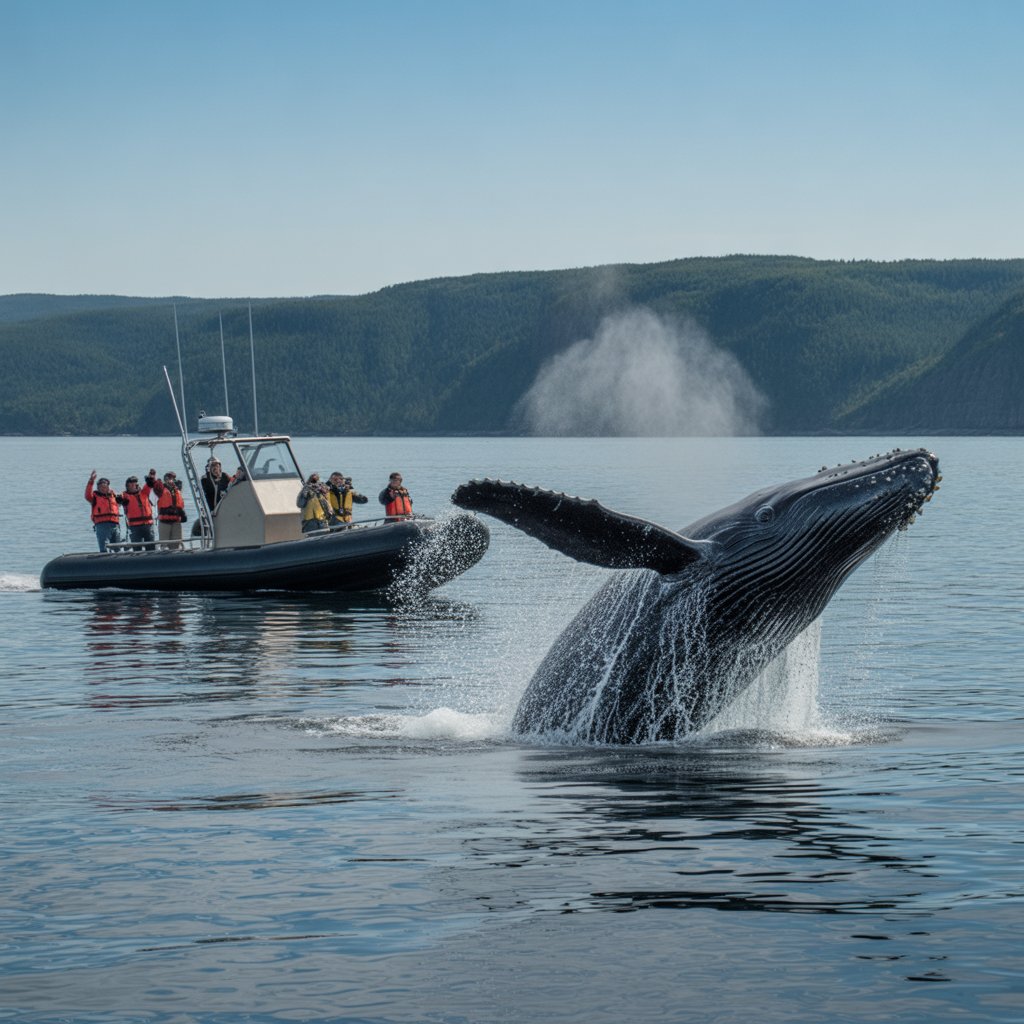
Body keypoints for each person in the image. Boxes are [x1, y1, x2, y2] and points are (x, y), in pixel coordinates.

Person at [119, 469, 159, 550]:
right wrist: (120, 500)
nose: (134, 485)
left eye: (135, 483)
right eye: (132, 484)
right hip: (134, 526)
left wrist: (151, 477)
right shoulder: (124, 495)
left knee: (151, 547)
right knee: (137, 549)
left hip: (148, 525)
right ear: (128, 486)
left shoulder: (144, 492)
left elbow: (149, 484)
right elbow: (119, 500)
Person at [85, 471, 121, 552]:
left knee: (117, 548)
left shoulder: (114, 496)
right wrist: (91, 481)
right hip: (102, 525)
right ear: (98, 488)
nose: (103, 488)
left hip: (115, 524)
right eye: (101, 486)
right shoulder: (94, 497)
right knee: (104, 547)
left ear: (108, 487)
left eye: (105, 486)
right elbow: (87, 495)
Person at [154, 471, 187, 547]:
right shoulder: (161, 490)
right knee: (164, 545)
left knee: (176, 544)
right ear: (165, 480)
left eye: (173, 478)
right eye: (169, 478)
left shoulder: (177, 491)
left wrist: (183, 514)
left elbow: (181, 505)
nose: (171, 480)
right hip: (164, 522)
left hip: (176, 522)